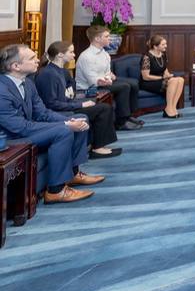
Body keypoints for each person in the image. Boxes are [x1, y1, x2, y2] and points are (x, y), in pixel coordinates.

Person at [0, 44, 104, 203]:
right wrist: (66, 126)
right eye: (31, 58)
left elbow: (42, 113)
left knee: (80, 119)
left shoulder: (27, 83)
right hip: (9, 141)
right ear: (16, 66)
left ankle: (73, 173)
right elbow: (20, 128)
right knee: (63, 131)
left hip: (24, 130)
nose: (38, 60)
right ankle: (56, 190)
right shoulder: (2, 90)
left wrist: (69, 121)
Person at [35, 41, 121, 159]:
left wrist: (80, 103)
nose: (74, 55)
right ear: (60, 55)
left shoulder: (59, 71)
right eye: (71, 52)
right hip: (58, 112)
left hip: (64, 107)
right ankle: (97, 148)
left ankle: (97, 145)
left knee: (102, 106)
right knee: (104, 109)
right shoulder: (48, 74)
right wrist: (79, 105)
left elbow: (62, 98)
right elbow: (51, 103)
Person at [76, 25, 143, 131]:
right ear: (97, 39)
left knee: (134, 83)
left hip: (104, 81)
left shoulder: (104, 53)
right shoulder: (86, 56)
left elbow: (107, 72)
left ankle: (129, 115)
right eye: (107, 36)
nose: (110, 39)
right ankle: (121, 122)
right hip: (89, 88)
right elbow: (93, 81)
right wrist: (108, 79)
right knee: (124, 86)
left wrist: (108, 78)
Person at [140, 35, 185, 118]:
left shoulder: (163, 54)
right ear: (155, 46)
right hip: (149, 82)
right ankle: (168, 109)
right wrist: (162, 78)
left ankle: (173, 108)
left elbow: (164, 68)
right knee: (173, 81)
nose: (166, 46)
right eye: (163, 44)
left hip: (161, 79)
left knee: (180, 79)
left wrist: (168, 75)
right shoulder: (146, 57)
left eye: (166, 44)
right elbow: (145, 76)